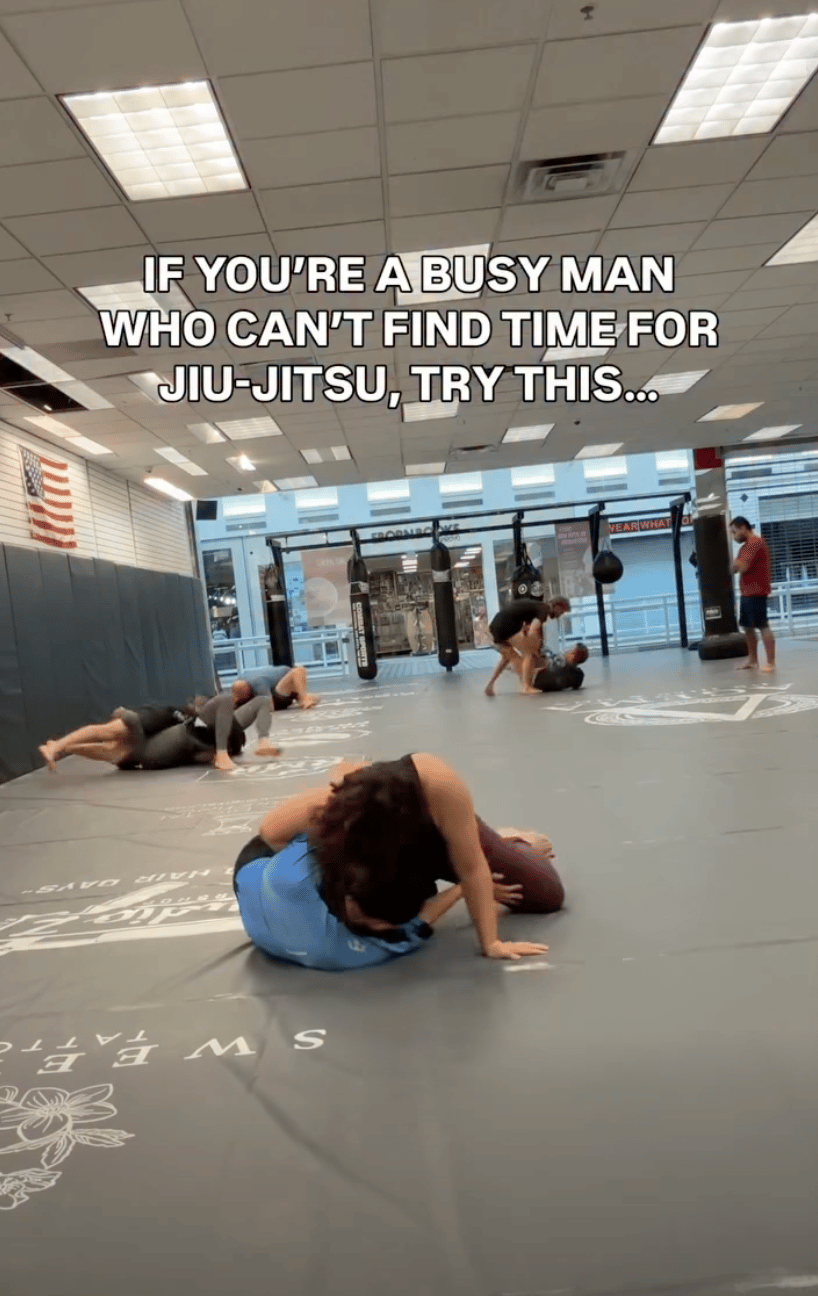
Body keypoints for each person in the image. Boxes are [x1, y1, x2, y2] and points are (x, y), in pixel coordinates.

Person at [233, 753, 565, 971]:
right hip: (368, 842)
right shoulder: (358, 944)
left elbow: (472, 866)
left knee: (541, 891)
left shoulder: (433, 784)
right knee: (543, 893)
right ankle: (486, 840)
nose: (372, 930)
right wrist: (465, 892)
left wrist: (490, 940)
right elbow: (421, 918)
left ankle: (491, 836)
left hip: (422, 821)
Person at [485, 595, 571, 697]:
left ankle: (490, 685)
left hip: (495, 626)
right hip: (505, 627)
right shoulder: (543, 610)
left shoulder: (536, 606)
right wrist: (536, 646)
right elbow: (533, 630)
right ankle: (526, 687)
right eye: (562, 612)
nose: (560, 615)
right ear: (558, 606)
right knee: (529, 652)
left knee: (508, 657)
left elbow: (525, 625)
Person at [730, 516, 775, 673]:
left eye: (734, 532)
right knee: (747, 627)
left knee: (762, 626)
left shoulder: (754, 543)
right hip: (747, 592)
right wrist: (737, 564)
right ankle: (752, 659)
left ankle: (771, 662)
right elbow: (734, 569)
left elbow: (741, 566)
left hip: (756, 592)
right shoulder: (745, 547)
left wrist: (737, 563)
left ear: (743, 528)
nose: (734, 536)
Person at [505, 643, 589, 694]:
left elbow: (544, 660)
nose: (569, 651)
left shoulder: (558, 662)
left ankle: (511, 664)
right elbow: (577, 684)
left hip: (533, 679)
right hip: (538, 684)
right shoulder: (578, 676)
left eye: (572, 651)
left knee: (533, 651)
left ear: (573, 654)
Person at [232, 664, 319, 713]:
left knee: (299, 671)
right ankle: (304, 698)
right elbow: (270, 707)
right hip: (279, 692)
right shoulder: (240, 682)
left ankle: (303, 698)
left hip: (280, 688)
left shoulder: (258, 683)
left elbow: (270, 707)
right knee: (299, 671)